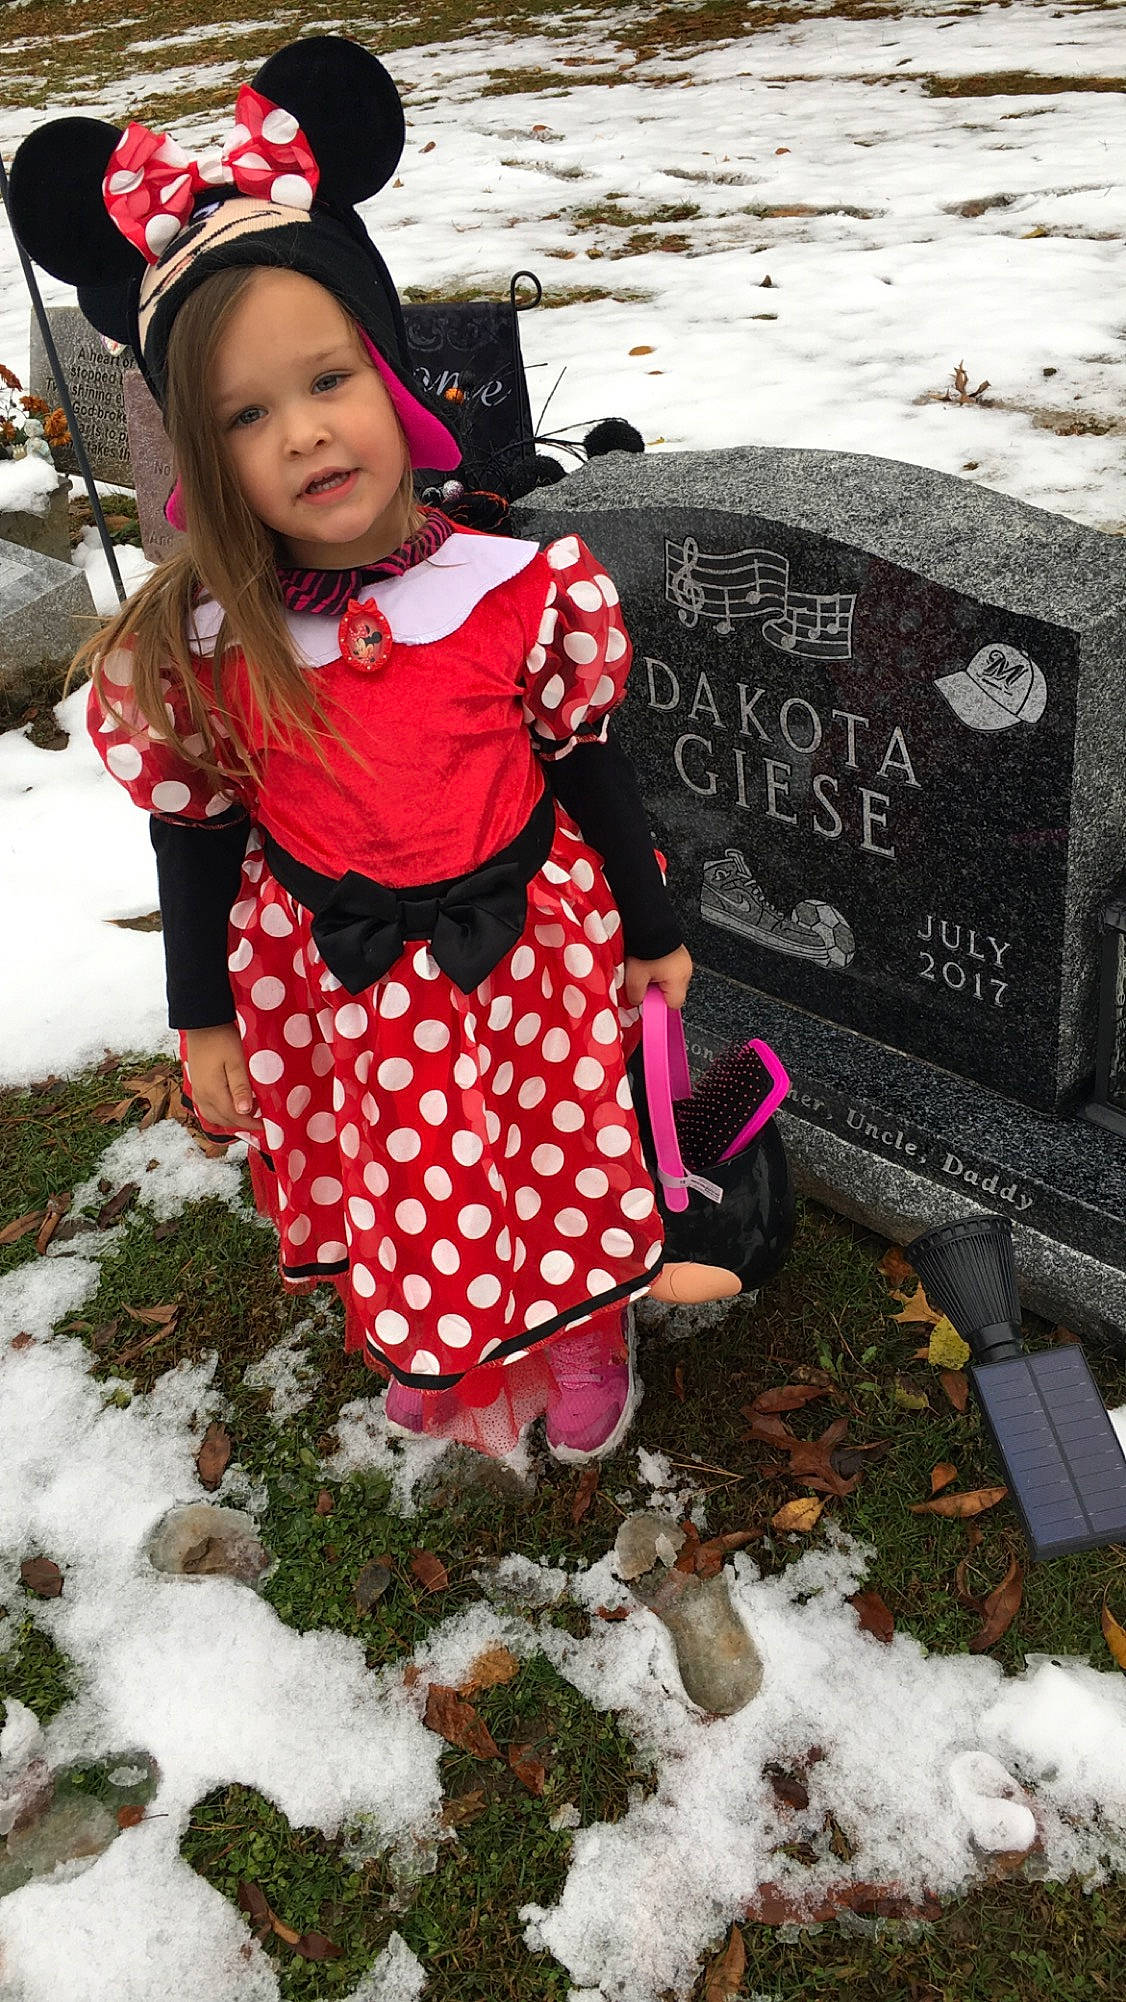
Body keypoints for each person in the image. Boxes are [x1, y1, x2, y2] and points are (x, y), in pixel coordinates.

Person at [10, 36, 737, 1463]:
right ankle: (442, 1338)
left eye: (327, 378)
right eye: (244, 415)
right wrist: (202, 1011)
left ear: (391, 372)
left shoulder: (505, 587)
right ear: (201, 455)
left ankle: (583, 1320)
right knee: (411, 1174)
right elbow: (197, 832)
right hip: (351, 977)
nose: (304, 434)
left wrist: (650, 922)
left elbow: (586, 760)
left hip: (528, 946)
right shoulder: (211, 648)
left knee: (554, 1148)